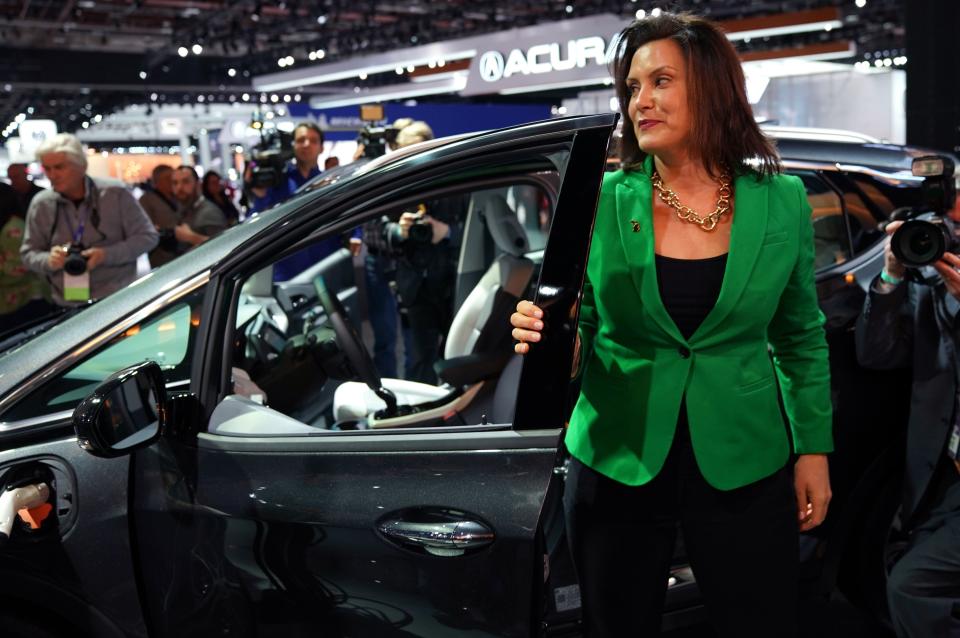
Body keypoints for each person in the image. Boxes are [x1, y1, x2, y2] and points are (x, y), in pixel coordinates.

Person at [510, 13, 832, 637]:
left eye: (660, 81)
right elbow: (585, 333)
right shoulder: (602, 201)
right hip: (617, 458)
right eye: (632, 87)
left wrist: (813, 448)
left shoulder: (781, 200)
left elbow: (799, 334)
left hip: (745, 457)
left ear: (711, 89)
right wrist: (549, 337)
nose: (641, 102)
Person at [856, 188, 960, 638]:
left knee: (912, 585)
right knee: (901, 573)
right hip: (943, 477)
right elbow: (876, 354)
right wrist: (892, 276)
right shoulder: (934, 286)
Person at [21, 133, 158, 307]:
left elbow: (148, 237)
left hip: (118, 299)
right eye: (47, 168)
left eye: (59, 167)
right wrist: (48, 260)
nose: (52, 175)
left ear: (81, 166)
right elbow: (28, 254)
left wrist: (105, 255)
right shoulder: (41, 204)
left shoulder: (115, 193)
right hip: (66, 303)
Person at [247, 122, 360, 280]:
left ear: (321, 148)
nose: (306, 145)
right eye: (301, 140)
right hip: (286, 267)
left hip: (326, 264)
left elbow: (348, 212)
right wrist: (259, 195)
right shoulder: (276, 182)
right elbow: (256, 220)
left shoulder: (330, 182)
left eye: (313, 141)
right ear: (293, 145)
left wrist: (356, 234)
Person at [171, 166, 228, 248]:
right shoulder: (183, 210)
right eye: (175, 183)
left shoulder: (209, 212)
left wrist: (192, 237)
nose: (179, 187)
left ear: (198, 184)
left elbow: (225, 247)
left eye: (185, 181)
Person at [139, 164, 180, 267]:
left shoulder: (178, 196)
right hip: (161, 256)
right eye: (168, 178)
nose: (172, 181)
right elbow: (146, 230)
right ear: (157, 182)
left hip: (183, 251)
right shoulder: (146, 200)